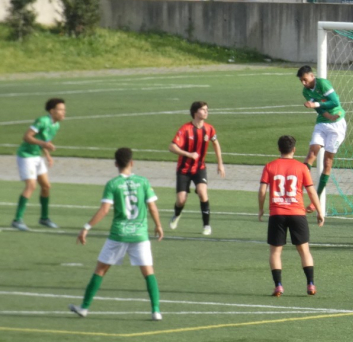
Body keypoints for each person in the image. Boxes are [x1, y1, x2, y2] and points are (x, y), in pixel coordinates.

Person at [69, 147, 164, 321]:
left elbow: (105, 209)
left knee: (100, 270)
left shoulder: (112, 184)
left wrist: (86, 227)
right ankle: (156, 311)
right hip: (139, 234)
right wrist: (158, 225)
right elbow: (152, 206)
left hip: (118, 234)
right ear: (132, 163)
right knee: (149, 272)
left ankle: (84, 308)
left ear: (115, 164)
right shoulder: (143, 181)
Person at [258, 135, 325, 297]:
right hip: (297, 213)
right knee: (304, 251)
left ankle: (279, 286)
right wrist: (319, 211)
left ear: (279, 149)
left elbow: (262, 190)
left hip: (277, 214)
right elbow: (310, 190)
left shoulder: (270, 166)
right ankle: (310, 284)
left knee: (275, 252)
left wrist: (261, 209)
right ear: (294, 149)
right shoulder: (301, 168)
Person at [168, 101, 225, 235]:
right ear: (195, 112)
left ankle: (206, 225)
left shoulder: (209, 129)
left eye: (207, 109)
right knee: (181, 200)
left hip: (199, 168)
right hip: (183, 169)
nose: (206, 112)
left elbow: (216, 144)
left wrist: (220, 164)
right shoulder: (185, 129)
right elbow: (172, 147)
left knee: (202, 193)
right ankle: (176, 215)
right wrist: (188, 154)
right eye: (203, 110)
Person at [12, 98, 65, 231]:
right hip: (26, 156)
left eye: (64, 110)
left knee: (46, 186)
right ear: (52, 111)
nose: (64, 112)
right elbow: (27, 136)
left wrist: (47, 155)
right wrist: (43, 145)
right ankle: (17, 220)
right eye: (61, 110)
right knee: (31, 186)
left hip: (37, 156)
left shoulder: (56, 125)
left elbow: (44, 140)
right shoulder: (42, 121)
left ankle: (44, 218)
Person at [297, 65, 346, 201]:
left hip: (337, 125)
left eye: (305, 79)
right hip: (322, 123)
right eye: (301, 80)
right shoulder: (305, 92)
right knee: (311, 153)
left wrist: (316, 105)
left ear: (312, 76)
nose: (303, 83)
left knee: (327, 162)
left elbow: (335, 102)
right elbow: (318, 110)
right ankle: (298, 192)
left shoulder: (323, 83)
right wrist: (327, 116)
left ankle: (316, 199)